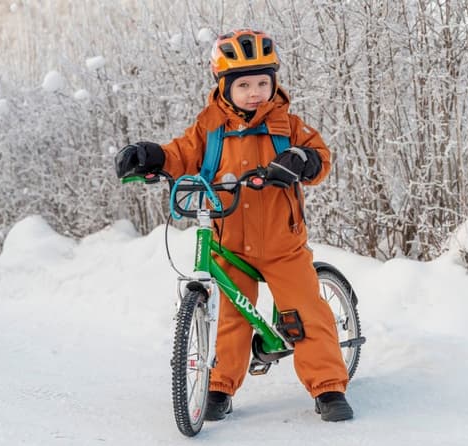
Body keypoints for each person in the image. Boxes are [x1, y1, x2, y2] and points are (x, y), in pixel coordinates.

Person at [115, 29, 353, 422]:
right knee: (231, 318)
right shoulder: (211, 130)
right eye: (244, 84)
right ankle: (220, 386)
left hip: (283, 245)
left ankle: (328, 386)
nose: (255, 92)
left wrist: (299, 159)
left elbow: (319, 156)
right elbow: (180, 154)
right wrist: (151, 155)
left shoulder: (286, 125)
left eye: (263, 82)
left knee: (307, 313)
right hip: (231, 242)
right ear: (224, 87)